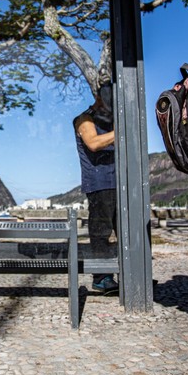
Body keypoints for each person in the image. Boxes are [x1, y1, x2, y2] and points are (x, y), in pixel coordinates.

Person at [73, 83, 118, 293]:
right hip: (100, 184)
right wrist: (122, 131)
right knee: (101, 232)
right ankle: (102, 277)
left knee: (126, 231)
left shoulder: (112, 120)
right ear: (99, 98)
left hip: (120, 181)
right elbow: (93, 143)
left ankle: (131, 274)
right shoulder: (84, 119)